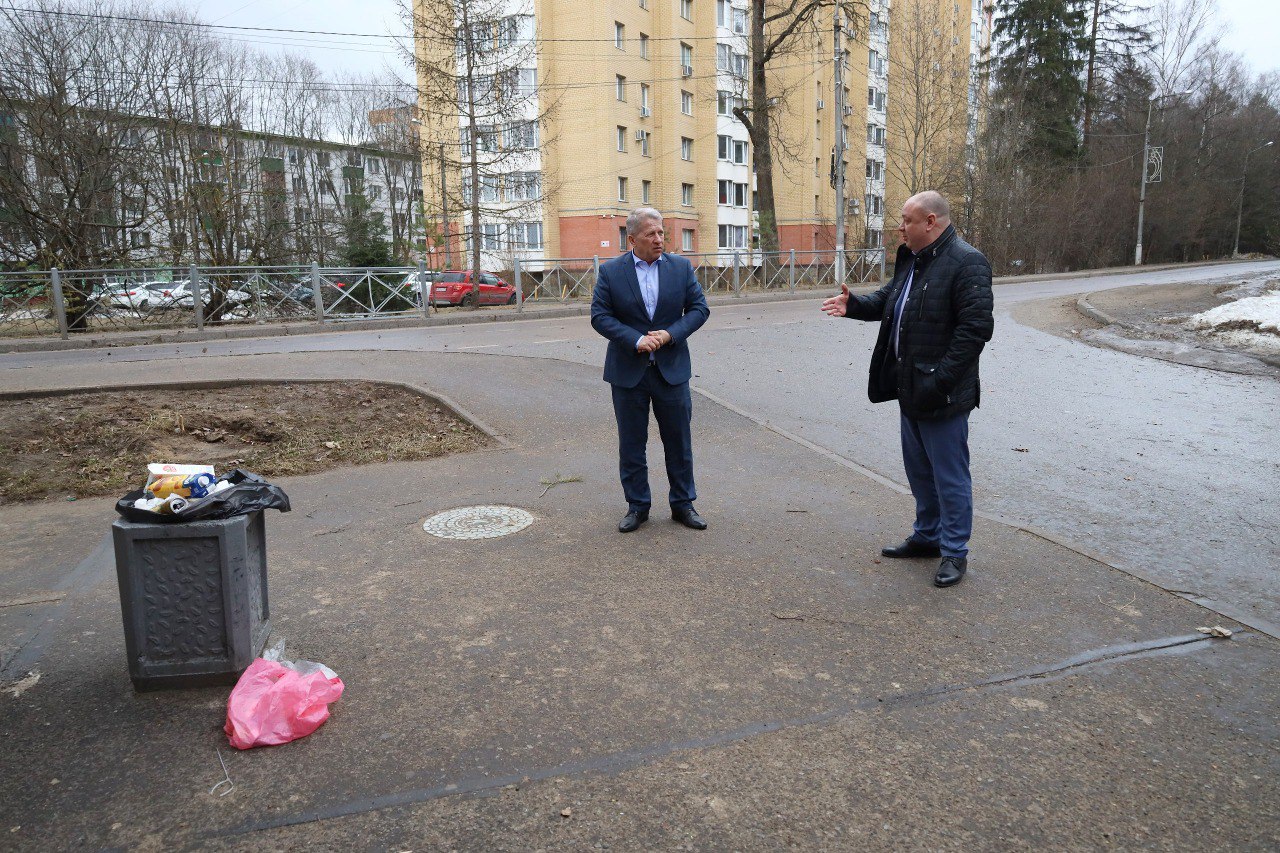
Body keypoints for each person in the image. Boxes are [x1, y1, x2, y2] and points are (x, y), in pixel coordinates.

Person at [821, 191, 993, 587]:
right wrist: (855, 305)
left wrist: (939, 381)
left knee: (949, 477)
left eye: (907, 220)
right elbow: (890, 300)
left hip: (941, 395)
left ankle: (954, 551)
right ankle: (927, 536)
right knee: (919, 471)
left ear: (930, 222)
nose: (900, 227)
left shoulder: (967, 262)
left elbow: (975, 330)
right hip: (911, 388)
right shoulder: (914, 258)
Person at [591, 207, 711, 533]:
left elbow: (699, 309)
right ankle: (637, 506)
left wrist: (670, 334)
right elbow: (600, 316)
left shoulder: (680, 268)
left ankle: (683, 504)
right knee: (632, 445)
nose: (659, 239)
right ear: (632, 239)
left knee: (679, 443)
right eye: (651, 234)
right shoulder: (611, 272)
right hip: (628, 373)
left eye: (661, 233)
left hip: (672, 371)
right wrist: (635, 339)